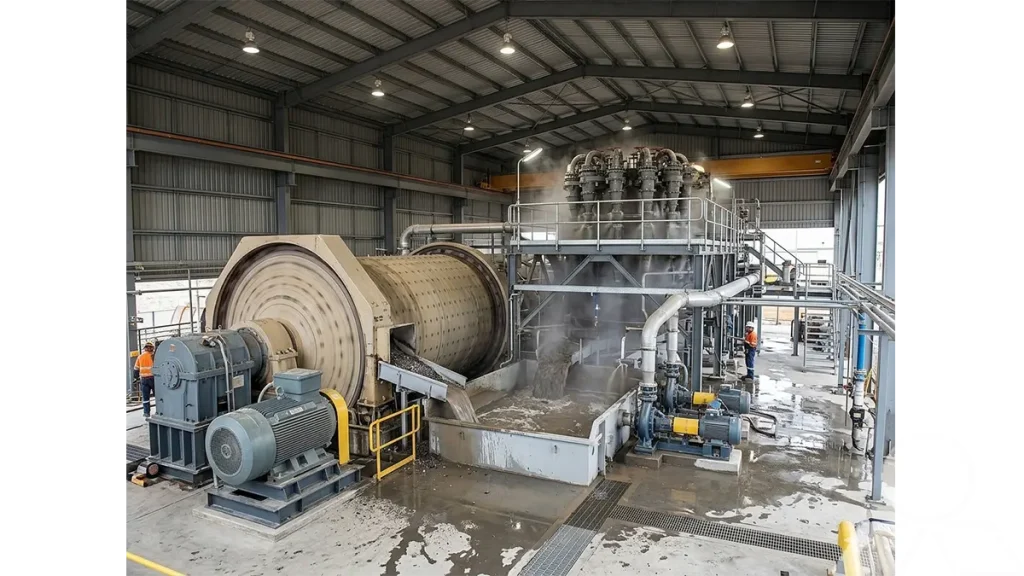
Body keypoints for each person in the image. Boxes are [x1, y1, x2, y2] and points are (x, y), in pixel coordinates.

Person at [134, 342, 155, 417]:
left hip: (144, 379)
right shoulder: (154, 356)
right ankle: (160, 411)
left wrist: (136, 377)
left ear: (145, 348)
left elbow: (136, 369)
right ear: (152, 348)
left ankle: (146, 412)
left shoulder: (140, 357)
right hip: (154, 379)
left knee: (145, 397)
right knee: (158, 396)